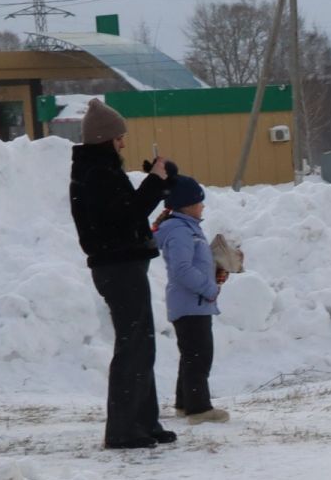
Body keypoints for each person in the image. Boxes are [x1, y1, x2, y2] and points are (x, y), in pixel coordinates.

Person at [68, 98, 177, 450]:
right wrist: (154, 184)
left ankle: (144, 422)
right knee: (133, 345)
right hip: (118, 267)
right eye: (119, 139)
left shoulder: (100, 171)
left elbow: (126, 210)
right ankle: (123, 428)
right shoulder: (97, 173)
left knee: (141, 343)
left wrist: (155, 182)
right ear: (105, 139)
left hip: (122, 265)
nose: (124, 144)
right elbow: (127, 215)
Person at [153, 173, 230, 424]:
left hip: (193, 303)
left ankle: (185, 404)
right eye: (199, 202)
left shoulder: (187, 228)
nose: (203, 206)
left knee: (191, 355)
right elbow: (182, 269)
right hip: (191, 304)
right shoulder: (180, 231)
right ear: (187, 205)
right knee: (199, 356)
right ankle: (199, 410)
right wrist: (209, 289)